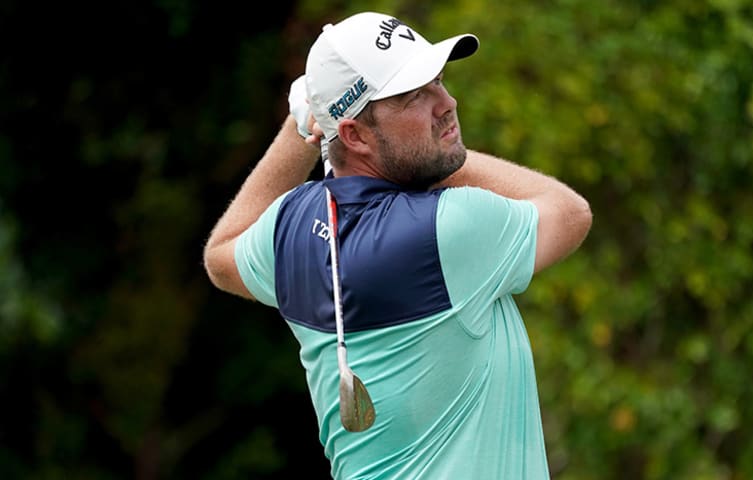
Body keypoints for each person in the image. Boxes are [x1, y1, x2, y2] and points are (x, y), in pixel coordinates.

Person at [203, 11, 592, 479]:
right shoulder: (449, 228)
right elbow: (570, 212)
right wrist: (441, 159)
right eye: (413, 96)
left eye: (439, 81)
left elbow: (220, 256)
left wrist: (300, 130)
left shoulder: (287, 227)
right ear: (355, 134)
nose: (447, 102)